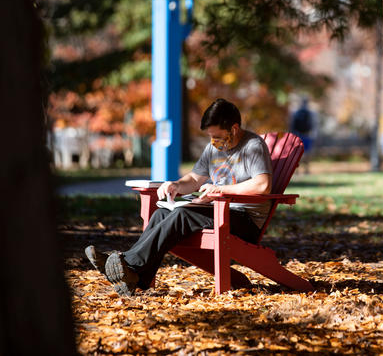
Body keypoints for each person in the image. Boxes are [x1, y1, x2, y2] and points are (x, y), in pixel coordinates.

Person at [85, 98, 273, 297]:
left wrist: (222, 190)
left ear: (234, 129)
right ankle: (139, 278)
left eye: (217, 136)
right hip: (217, 211)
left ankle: (127, 264)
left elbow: (263, 185)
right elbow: (194, 178)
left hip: (244, 219)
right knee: (161, 213)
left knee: (183, 214)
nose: (213, 142)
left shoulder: (253, 146)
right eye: (210, 136)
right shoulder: (213, 149)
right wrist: (176, 185)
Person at [290, 98, 315, 173]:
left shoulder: (309, 113)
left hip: (305, 135)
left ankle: (306, 170)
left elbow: (312, 124)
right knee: (299, 154)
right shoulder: (296, 113)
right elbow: (292, 125)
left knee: (306, 154)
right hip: (300, 135)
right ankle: (298, 170)